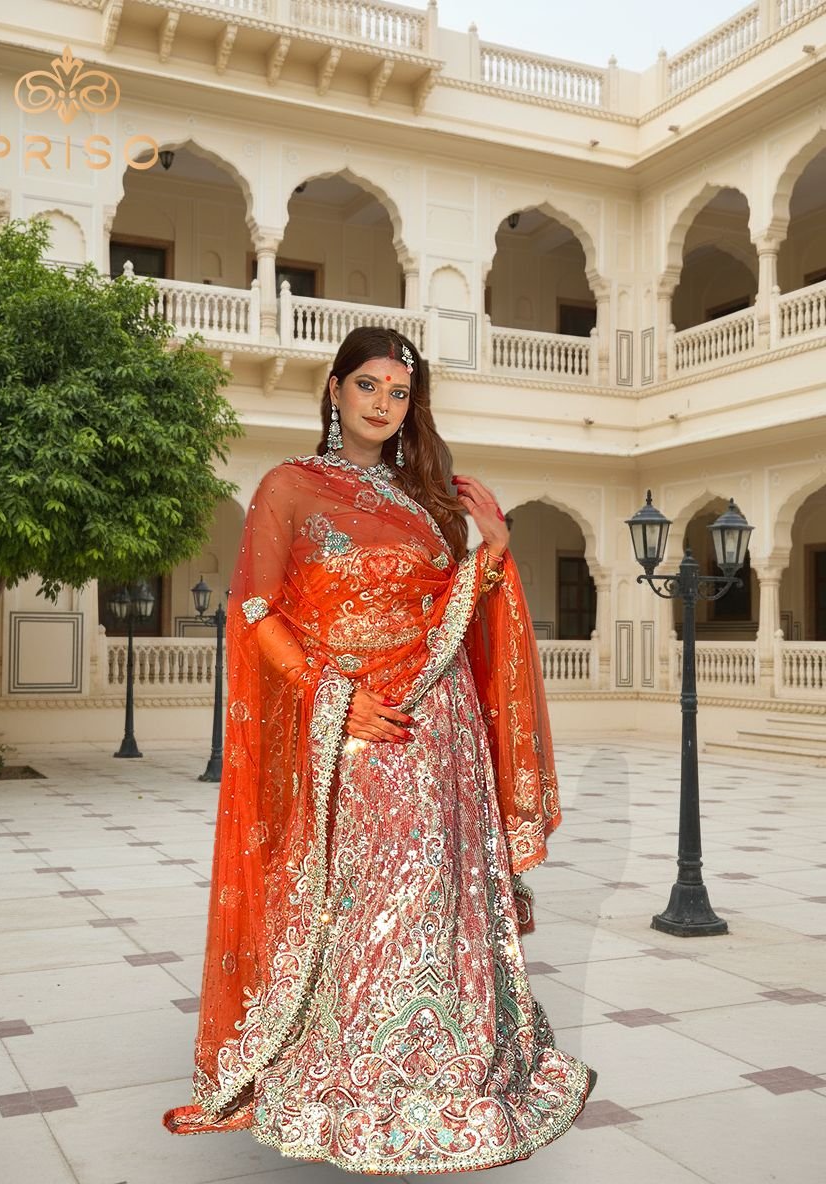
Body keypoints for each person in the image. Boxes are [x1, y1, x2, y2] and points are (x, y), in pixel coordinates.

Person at [164, 325, 596, 1171]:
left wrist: (493, 555)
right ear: (333, 389)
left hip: (445, 734)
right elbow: (255, 612)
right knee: (368, 902)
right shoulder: (289, 486)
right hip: (357, 728)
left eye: (399, 393)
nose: (382, 405)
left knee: (443, 899)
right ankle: (356, 1082)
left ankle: (454, 1071)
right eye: (367, 385)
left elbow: (449, 618)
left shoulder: (425, 499)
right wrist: (338, 698)